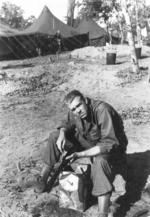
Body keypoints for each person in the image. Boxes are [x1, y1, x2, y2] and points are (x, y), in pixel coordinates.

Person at [25, 90, 128, 217]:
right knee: (55, 136)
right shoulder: (74, 112)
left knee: (100, 162)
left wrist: (81, 155)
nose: (77, 111)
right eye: (73, 109)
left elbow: (109, 144)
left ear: (85, 100)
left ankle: (103, 212)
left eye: (79, 106)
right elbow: (66, 123)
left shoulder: (102, 110)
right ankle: (43, 180)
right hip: (91, 142)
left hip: (114, 149)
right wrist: (62, 133)